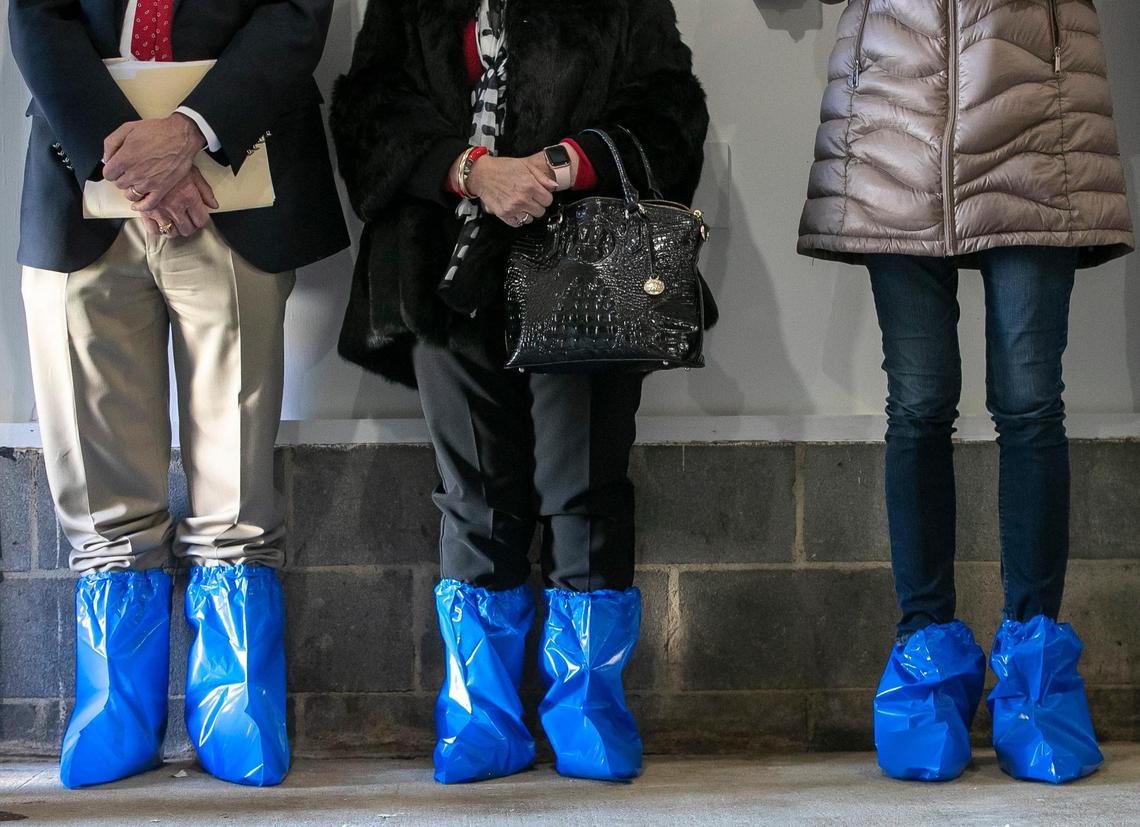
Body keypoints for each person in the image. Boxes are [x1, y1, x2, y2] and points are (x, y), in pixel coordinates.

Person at [331, 0, 709, 783]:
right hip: (443, 266)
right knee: (474, 493)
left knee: (585, 490)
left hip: (590, 266)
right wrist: (470, 170)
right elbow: (367, 105)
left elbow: (671, 104)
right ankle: (482, 718)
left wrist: (567, 163)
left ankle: (587, 712)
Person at [9, 0, 348, 788]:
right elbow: (36, 14)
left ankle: (238, 708)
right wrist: (122, 154)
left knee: (235, 468)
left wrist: (190, 131)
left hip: (238, 171)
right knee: (96, 474)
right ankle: (114, 714)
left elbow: (296, 13)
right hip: (79, 180)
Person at [800, 0, 1134, 784]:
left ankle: (1038, 673)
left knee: (1029, 403)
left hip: (1033, 108)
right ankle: (926, 663)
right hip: (894, 111)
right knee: (918, 406)